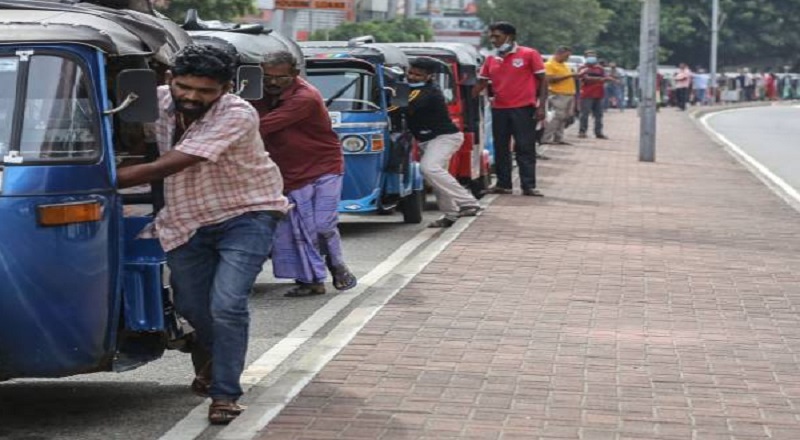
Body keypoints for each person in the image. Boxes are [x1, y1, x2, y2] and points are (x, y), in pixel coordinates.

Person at [117, 45, 290, 424]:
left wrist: (99, 178)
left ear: (227, 88)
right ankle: (214, 354)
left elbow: (175, 162)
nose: (192, 97)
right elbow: (120, 133)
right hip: (184, 218)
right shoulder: (154, 102)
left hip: (247, 212)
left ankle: (224, 393)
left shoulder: (238, 113)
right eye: (185, 87)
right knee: (192, 307)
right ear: (169, 80)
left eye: (205, 91)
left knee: (228, 304)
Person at [251, 51, 357, 297]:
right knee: (295, 229)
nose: (273, 82)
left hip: (322, 167)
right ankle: (311, 280)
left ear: (294, 75)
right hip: (286, 171)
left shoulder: (305, 97)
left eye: (281, 78)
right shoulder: (257, 94)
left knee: (321, 225)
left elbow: (260, 126)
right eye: (267, 77)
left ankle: (336, 264)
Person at [401, 56, 482, 228]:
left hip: (445, 137)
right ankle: (451, 214)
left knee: (429, 168)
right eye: (410, 73)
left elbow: (403, 106)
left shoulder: (428, 92)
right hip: (428, 140)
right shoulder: (411, 88)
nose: (412, 77)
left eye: (418, 75)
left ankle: (469, 203)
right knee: (437, 178)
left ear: (429, 76)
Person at [472, 21, 547, 197]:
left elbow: (543, 80)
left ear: (509, 36)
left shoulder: (529, 54)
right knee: (500, 147)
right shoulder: (491, 59)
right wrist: (469, 96)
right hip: (499, 109)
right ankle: (503, 184)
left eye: (497, 36)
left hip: (523, 108)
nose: (493, 40)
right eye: (491, 36)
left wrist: (541, 105)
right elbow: (482, 82)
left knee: (524, 147)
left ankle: (528, 185)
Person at [543, 46, 577, 145]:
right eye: (566, 56)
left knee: (564, 117)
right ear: (559, 54)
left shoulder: (564, 65)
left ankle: (559, 137)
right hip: (558, 94)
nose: (567, 58)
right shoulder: (549, 64)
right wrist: (570, 75)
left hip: (568, 94)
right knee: (557, 117)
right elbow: (550, 79)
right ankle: (546, 138)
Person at [577, 50, 608, 139]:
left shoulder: (600, 69)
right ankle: (582, 131)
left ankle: (598, 132)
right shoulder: (582, 68)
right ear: (586, 57)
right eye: (590, 56)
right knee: (584, 114)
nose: (592, 58)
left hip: (599, 94)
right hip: (587, 94)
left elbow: (605, 78)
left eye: (593, 56)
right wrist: (599, 79)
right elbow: (585, 79)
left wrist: (597, 79)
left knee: (599, 115)